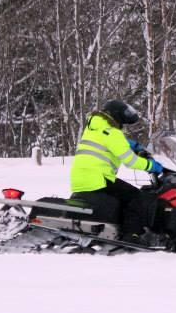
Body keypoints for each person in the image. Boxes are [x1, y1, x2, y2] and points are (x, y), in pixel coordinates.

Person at [69, 99, 165, 243]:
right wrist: (152, 166)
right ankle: (131, 235)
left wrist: (128, 144)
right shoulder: (112, 132)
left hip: (81, 178)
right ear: (117, 116)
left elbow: (105, 140)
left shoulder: (93, 127)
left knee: (121, 196)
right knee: (136, 197)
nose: (124, 125)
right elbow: (130, 161)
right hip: (98, 179)